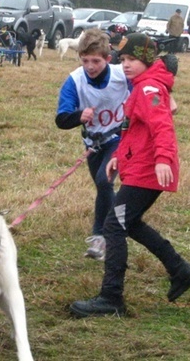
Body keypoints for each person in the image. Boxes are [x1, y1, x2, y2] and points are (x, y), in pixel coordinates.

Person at [70, 33, 190, 318]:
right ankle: (180, 270)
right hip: (140, 167)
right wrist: (118, 156)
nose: (126, 65)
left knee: (113, 226)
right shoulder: (142, 86)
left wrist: (164, 159)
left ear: (148, 60)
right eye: (124, 59)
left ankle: (111, 297)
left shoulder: (148, 89)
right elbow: (133, 129)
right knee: (129, 223)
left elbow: (162, 126)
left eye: (133, 59)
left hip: (149, 171)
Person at [56, 29, 130, 260]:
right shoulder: (75, 80)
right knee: (103, 186)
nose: (90, 66)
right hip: (93, 142)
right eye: (84, 60)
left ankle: (100, 237)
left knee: (104, 179)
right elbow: (61, 119)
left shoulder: (122, 75)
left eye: (96, 61)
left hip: (119, 137)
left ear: (108, 59)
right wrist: (79, 116)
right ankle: (122, 216)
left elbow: (148, 87)